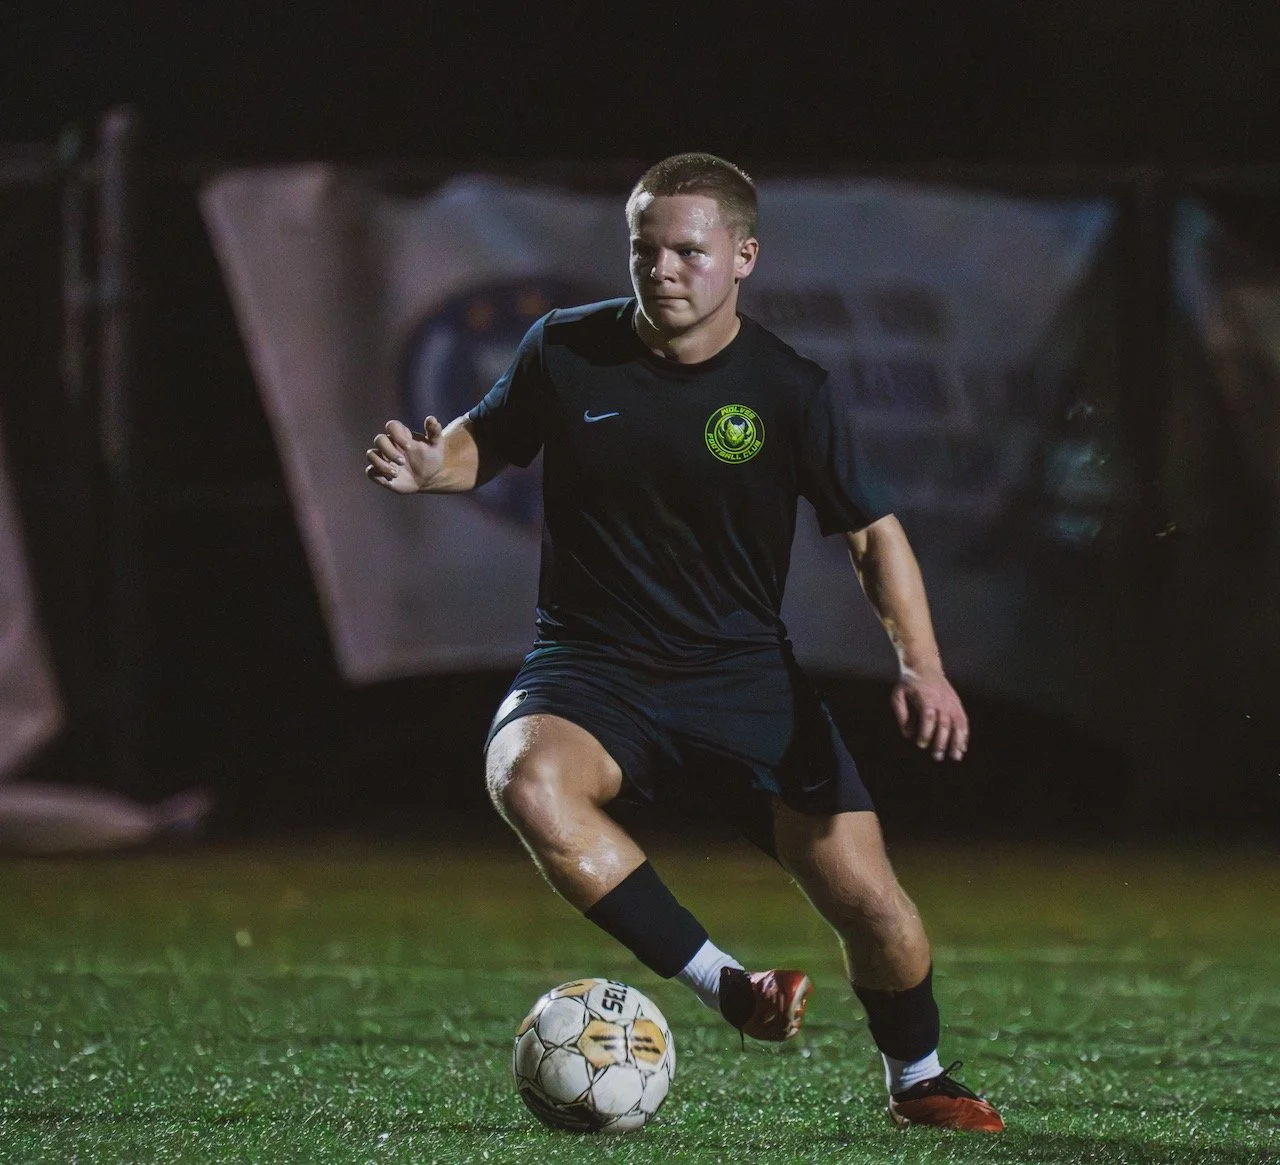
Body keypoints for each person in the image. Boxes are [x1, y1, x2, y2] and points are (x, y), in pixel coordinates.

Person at [366, 153, 1003, 1133]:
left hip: (740, 675)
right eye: (645, 249)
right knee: (525, 778)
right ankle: (728, 985)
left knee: (871, 904)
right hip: (593, 666)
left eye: (688, 251)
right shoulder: (564, 350)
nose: (662, 269)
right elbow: (480, 441)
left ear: (742, 257)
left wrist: (921, 665)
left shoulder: (788, 390)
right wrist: (429, 466)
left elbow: (873, 536)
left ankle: (917, 1077)